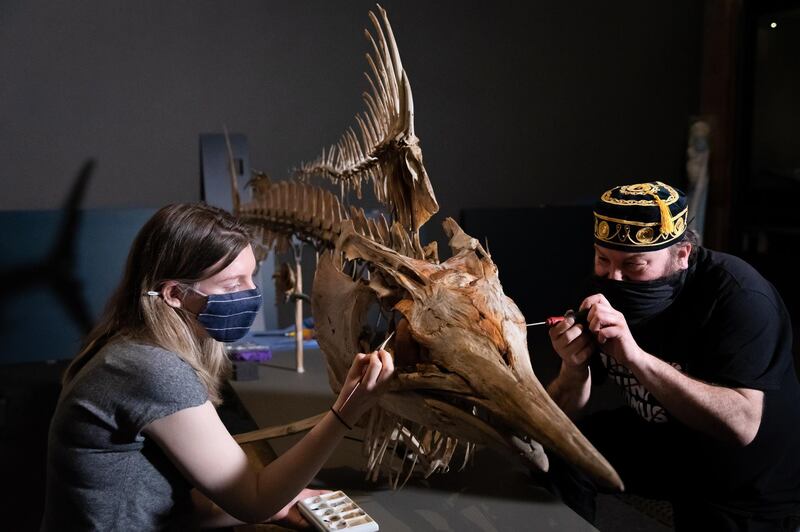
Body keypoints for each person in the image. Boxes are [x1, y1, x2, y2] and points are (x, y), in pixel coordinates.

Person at [41, 203, 394, 530]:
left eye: (251, 276)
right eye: (232, 284)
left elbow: (185, 503)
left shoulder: (127, 343)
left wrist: (279, 503)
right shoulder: (152, 369)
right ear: (175, 294)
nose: (252, 293)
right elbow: (253, 501)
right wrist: (347, 411)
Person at [545, 181, 800, 530]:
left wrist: (634, 356)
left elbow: (742, 425)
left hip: (746, 476)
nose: (615, 277)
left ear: (682, 255)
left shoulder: (740, 295)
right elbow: (556, 416)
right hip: (666, 438)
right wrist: (572, 368)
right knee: (559, 449)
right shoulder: (600, 287)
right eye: (603, 259)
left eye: (634, 265)